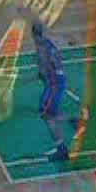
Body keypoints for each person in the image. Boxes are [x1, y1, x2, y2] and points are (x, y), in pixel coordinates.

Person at [32, 23, 71, 162]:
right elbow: (57, 61)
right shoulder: (49, 43)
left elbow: (44, 70)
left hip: (54, 85)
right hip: (58, 81)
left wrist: (41, 75)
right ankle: (72, 120)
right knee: (48, 113)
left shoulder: (40, 48)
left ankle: (62, 149)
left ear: (33, 35)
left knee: (47, 115)